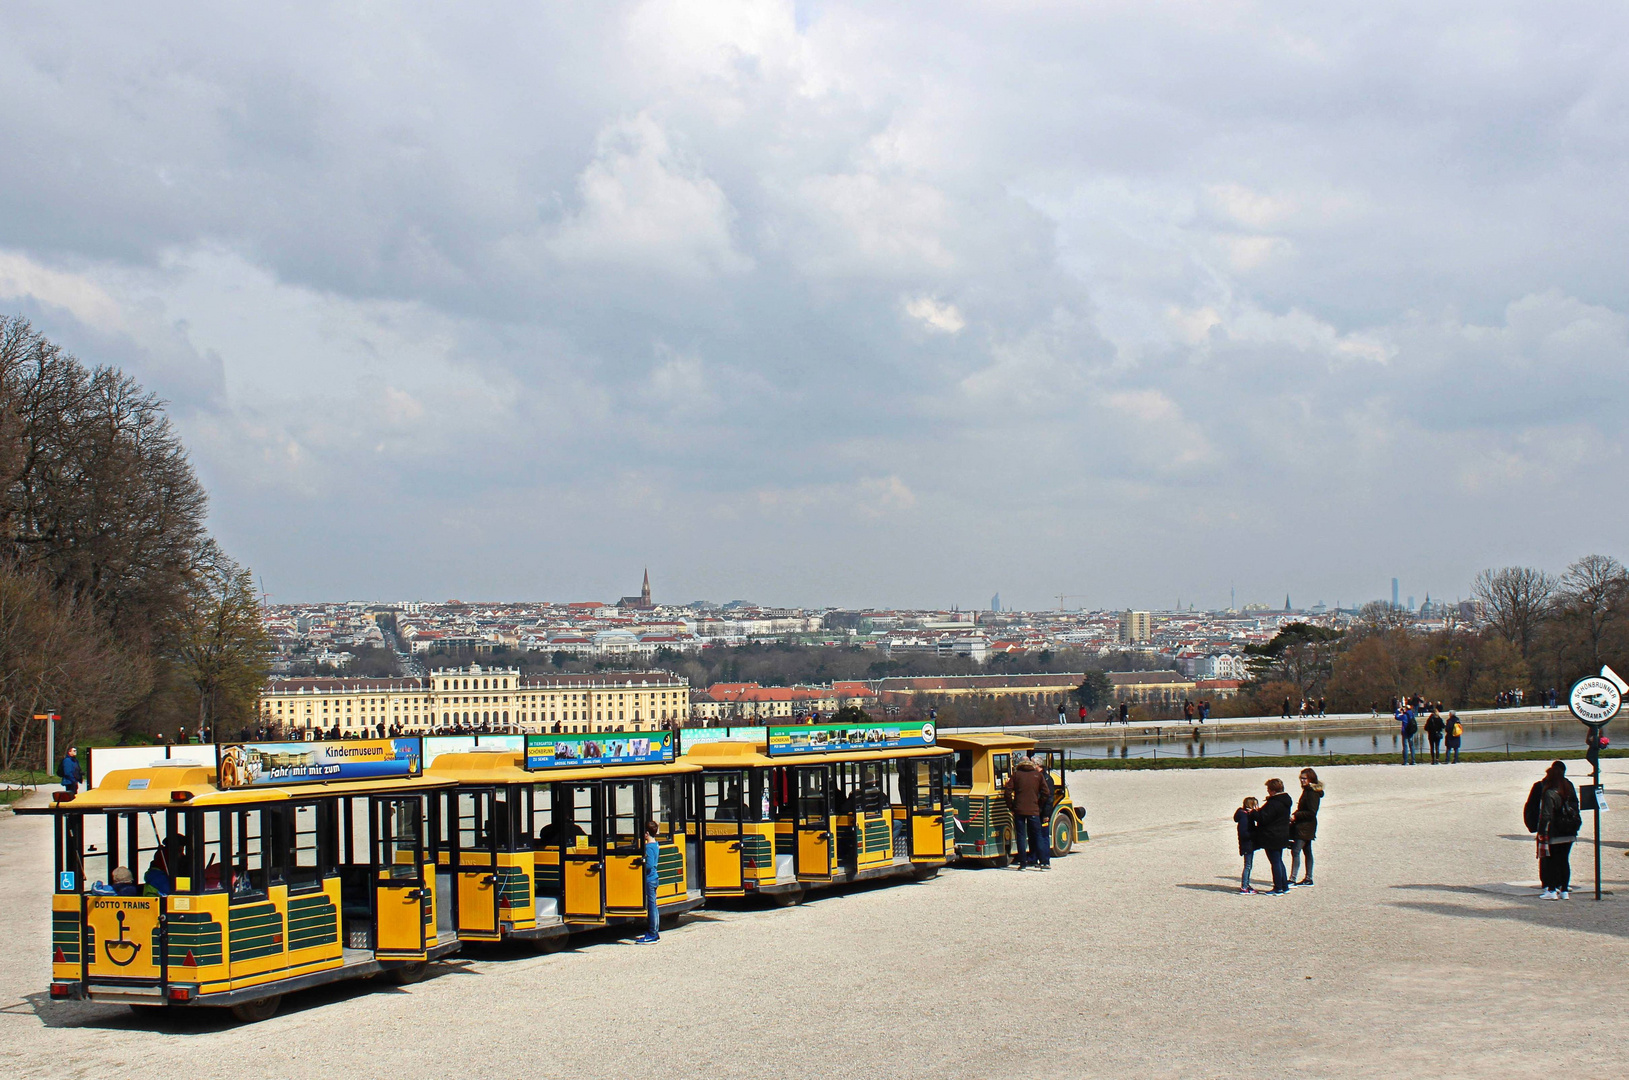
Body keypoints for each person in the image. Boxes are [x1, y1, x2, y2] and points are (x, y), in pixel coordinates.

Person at [1526, 762, 1580, 900]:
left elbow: (1546, 814)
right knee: (1564, 860)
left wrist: (1541, 831)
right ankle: (1564, 890)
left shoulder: (1548, 791)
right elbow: (1576, 807)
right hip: (1569, 830)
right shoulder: (1568, 787)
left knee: (1550, 860)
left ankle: (1551, 889)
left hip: (1554, 831)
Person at [1002, 755, 1051, 869]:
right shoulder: (1037, 775)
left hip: (1019, 809)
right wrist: (1039, 804)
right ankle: (1044, 862)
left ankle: (1023, 863)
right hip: (1033, 809)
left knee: (1021, 836)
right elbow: (1046, 793)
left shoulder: (1016, 775)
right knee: (1038, 835)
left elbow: (1008, 791)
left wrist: (1011, 806)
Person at [1255, 779, 1294, 895]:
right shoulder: (1285, 800)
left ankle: (1278, 888)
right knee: (1279, 860)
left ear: (1272, 790)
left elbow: (1263, 818)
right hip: (1282, 834)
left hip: (1272, 835)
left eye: (1268, 789)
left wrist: (1254, 813)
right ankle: (1284, 886)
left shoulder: (1274, 803)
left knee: (1275, 862)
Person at [1287, 768, 1322, 887]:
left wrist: (1296, 815)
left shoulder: (1312, 792)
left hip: (1306, 826)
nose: (1302, 780)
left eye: (1304, 778)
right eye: (1301, 778)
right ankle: (1308, 878)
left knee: (1296, 850)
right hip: (1304, 825)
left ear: (1310, 779)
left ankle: (1293, 878)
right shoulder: (1308, 790)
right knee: (1307, 851)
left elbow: (1312, 812)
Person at [634, 820, 663, 943]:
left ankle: (652, 933)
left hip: (649, 879)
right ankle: (654, 932)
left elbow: (649, 865)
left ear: (647, 833)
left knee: (651, 906)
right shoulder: (656, 845)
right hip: (654, 878)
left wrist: (641, 863)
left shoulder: (648, 847)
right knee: (653, 906)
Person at [1235, 796, 1260, 894]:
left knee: (1249, 865)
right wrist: (1256, 833)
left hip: (1247, 844)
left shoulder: (1245, 815)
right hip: (1247, 844)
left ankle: (1246, 884)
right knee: (1248, 865)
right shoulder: (1245, 817)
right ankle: (1244, 887)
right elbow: (1244, 833)